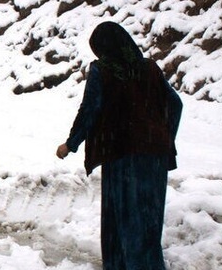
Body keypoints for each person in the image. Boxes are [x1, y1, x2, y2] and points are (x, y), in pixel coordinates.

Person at [56, 21, 183, 270]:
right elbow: (175, 104)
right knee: (149, 224)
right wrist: (165, 136)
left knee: (122, 226)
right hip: (155, 157)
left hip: (121, 156)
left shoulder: (102, 71)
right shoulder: (150, 69)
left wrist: (70, 144)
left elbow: (90, 110)